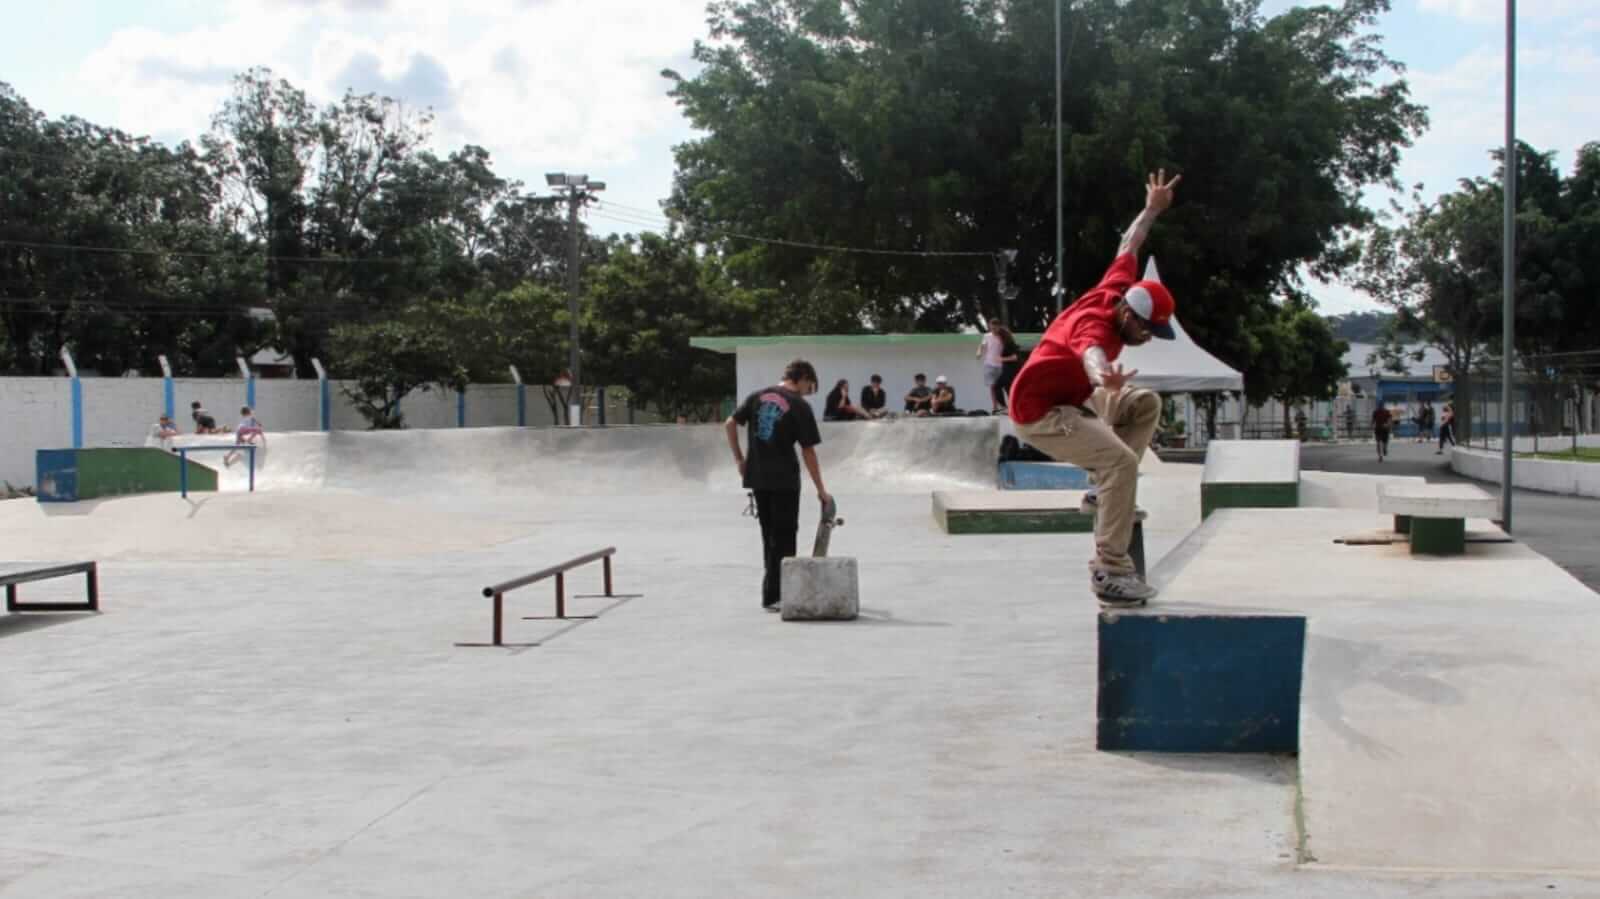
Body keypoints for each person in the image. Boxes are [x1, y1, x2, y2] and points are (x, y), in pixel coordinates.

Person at [1008, 170, 1181, 606]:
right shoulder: (1094, 328)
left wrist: (1152, 208)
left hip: (1077, 394)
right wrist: (1105, 378)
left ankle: (1097, 491)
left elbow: (1129, 243)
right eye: (1145, 333)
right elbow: (1090, 356)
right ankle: (1110, 570)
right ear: (1131, 317)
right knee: (1121, 463)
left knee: (1143, 404)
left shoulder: (1119, 288)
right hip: (1041, 411)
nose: (1145, 340)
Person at [725, 359, 831, 612]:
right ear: (803, 377)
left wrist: (740, 459)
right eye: (809, 387)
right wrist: (821, 489)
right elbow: (808, 452)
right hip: (784, 480)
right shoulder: (799, 406)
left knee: (769, 536)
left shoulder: (757, 396)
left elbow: (729, 423)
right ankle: (776, 596)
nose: (808, 393)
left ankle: (771, 593)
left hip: (758, 477)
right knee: (783, 538)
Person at [977, 319, 1012, 412]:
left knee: (1004, 386)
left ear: (999, 327)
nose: (993, 329)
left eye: (995, 327)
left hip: (1000, 365)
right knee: (992, 386)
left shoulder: (1004, 336)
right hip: (989, 364)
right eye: (991, 327)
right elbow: (982, 345)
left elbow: (1010, 347)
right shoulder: (987, 336)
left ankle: (1009, 405)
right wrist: (979, 352)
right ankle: (995, 407)